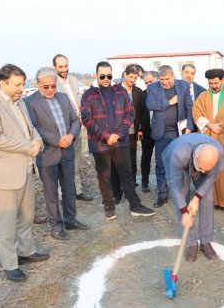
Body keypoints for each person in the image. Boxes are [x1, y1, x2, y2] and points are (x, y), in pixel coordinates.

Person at [0, 64, 49, 282]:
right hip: (3, 174)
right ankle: (10, 264)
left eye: (23, 84)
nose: (21, 88)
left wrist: (37, 140)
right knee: (6, 221)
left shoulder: (20, 103)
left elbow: (30, 128)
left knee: (26, 216)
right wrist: (29, 146)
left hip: (26, 170)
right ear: (2, 83)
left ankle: (26, 251)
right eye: (17, 84)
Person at [81, 61, 155, 220]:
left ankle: (135, 205)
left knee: (127, 174)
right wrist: (106, 136)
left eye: (109, 75)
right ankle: (109, 207)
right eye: (102, 76)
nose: (106, 78)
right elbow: (87, 119)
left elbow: (130, 113)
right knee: (104, 177)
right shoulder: (89, 94)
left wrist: (119, 134)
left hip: (120, 142)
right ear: (96, 75)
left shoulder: (120, 91)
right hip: (100, 145)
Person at [25, 67, 90, 240]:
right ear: (38, 84)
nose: (50, 90)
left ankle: (70, 220)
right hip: (47, 155)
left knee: (70, 189)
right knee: (51, 194)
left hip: (67, 150)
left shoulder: (63, 97)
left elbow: (75, 120)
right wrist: (56, 140)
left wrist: (70, 136)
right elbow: (34, 128)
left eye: (53, 86)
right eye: (46, 87)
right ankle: (56, 227)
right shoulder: (29, 102)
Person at [162, 133, 224, 262]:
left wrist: (197, 198)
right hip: (180, 165)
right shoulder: (178, 154)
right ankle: (191, 243)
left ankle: (205, 242)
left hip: (200, 161)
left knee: (206, 197)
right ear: (195, 155)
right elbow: (176, 186)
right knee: (183, 198)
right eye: (201, 168)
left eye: (205, 169)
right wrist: (184, 212)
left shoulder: (216, 152)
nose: (201, 172)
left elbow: (211, 177)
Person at [192, 68, 224, 208]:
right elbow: (196, 113)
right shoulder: (202, 96)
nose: (213, 86)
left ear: (222, 80)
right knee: (211, 171)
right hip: (209, 140)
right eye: (211, 83)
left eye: (216, 83)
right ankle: (214, 201)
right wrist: (210, 125)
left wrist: (219, 130)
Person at [146, 65, 194, 208]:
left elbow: (189, 108)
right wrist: (169, 102)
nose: (165, 82)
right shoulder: (153, 87)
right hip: (161, 133)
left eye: (167, 79)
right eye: (162, 80)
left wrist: (190, 127)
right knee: (161, 165)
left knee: (182, 165)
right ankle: (162, 195)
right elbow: (150, 105)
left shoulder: (183, 86)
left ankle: (184, 196)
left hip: (179, 133)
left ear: (173, 76)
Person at [53, 54, 93, 202]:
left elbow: (79, 102)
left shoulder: (74, 80)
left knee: (76, 161)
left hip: (77, 127)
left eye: (66, 66)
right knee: (62, 163)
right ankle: (62, 195)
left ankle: (77, 190)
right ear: (54, 67)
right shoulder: (53, 83)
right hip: (63, 130)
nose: (64, 69)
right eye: (60, 67)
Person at [111, 64, 143, 204]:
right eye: (131, 77)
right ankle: (116, 192)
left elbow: (140, 112)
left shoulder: (138, 92)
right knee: (116, 162)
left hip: (131, 132)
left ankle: (130, 189)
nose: (133, 80)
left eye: (135, 78)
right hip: (117, 133)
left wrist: (140, 129)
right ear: (124, 74)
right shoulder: (114, 90)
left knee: (131, 161)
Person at [139, 70, 158, 192]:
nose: (148, 84)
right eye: (146, 82)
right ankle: (144, 181)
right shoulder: (142, 95)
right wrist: (140, 129)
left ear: (156, 79)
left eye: (150, 81)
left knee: (161, 157)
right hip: (147, 131)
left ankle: (163, 181)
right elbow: (139, 113)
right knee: (146, 157)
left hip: (162, 132)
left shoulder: (164, 94)